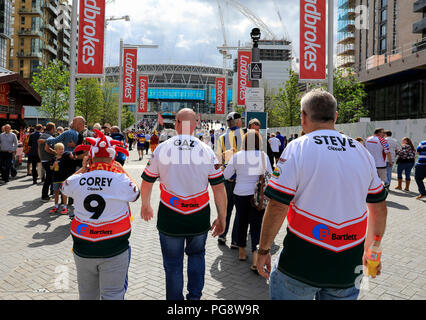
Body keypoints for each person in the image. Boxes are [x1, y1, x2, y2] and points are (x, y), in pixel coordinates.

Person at [256, 89, 388, 300]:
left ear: (303, 117)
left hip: (299, 266)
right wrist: (373, 254)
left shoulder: (297, 148)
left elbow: (278, 205)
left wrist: (263, 250)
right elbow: (379, 210)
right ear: (335, 117)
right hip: (347, 267)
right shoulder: (361, 152)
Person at [140, 108, 227, 300]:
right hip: (198, 215)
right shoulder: (207, 150)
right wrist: (222, 217)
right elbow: (219, 188)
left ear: (177, 124)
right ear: (196, 123)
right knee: (197, 257)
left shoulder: (162, 148)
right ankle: (194, 299)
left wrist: (145, 205)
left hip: (170, 215)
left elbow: (147, 181)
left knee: (173, 265)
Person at [61, 129, 138, 300]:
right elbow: (135, 193)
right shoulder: (120, 180)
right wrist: (123, 171)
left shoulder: (77, 179)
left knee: (87, 295)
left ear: (91, 156)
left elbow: (64, 187)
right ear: (113, 157)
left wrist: (82, 169)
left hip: (84, 246)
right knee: (113, 295)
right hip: (114, 246)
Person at [223, 130, 272, 274]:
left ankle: (242, 252)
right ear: (259, 142)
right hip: (257, 195)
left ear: (244, 141)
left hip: (240, 193)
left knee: (241, 221)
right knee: (256, 226)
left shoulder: (237, 156)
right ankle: (256, 260)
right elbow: (270, 175)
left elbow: (226, 175)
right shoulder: (263, 156)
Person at [215, 111, 246, 248]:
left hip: (226, 178)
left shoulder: (221, 137)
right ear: (238, 121)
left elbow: (217, 159)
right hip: (241, 178)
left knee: (226, 209)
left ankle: (222, 235)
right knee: (240, 212)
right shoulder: (245, 135)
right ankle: (235, 240)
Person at [49, 143, 74, 214]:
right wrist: (54, 165)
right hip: (56, 179)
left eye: (62, 149)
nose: (61, 150)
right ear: (55, 150)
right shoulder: (53, 159)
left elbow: (71, 157)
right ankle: (56, 206)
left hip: (63, 179)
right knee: (56, 193)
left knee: (64, 193)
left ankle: (64, 207)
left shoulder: (65, 157)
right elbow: (51, 168)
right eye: (59, 149)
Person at [38, 122, 56, 201]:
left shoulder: (42, 135)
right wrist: (55, 152)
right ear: (52, 129)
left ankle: (45, 195)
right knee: (49, 178)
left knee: (48, 178)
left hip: (44, 159)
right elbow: (46, 148)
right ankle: (45, 196)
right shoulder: (50, 137)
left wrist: (41, 158)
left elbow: (39, 149)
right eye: (54, 128)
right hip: (49, 160)